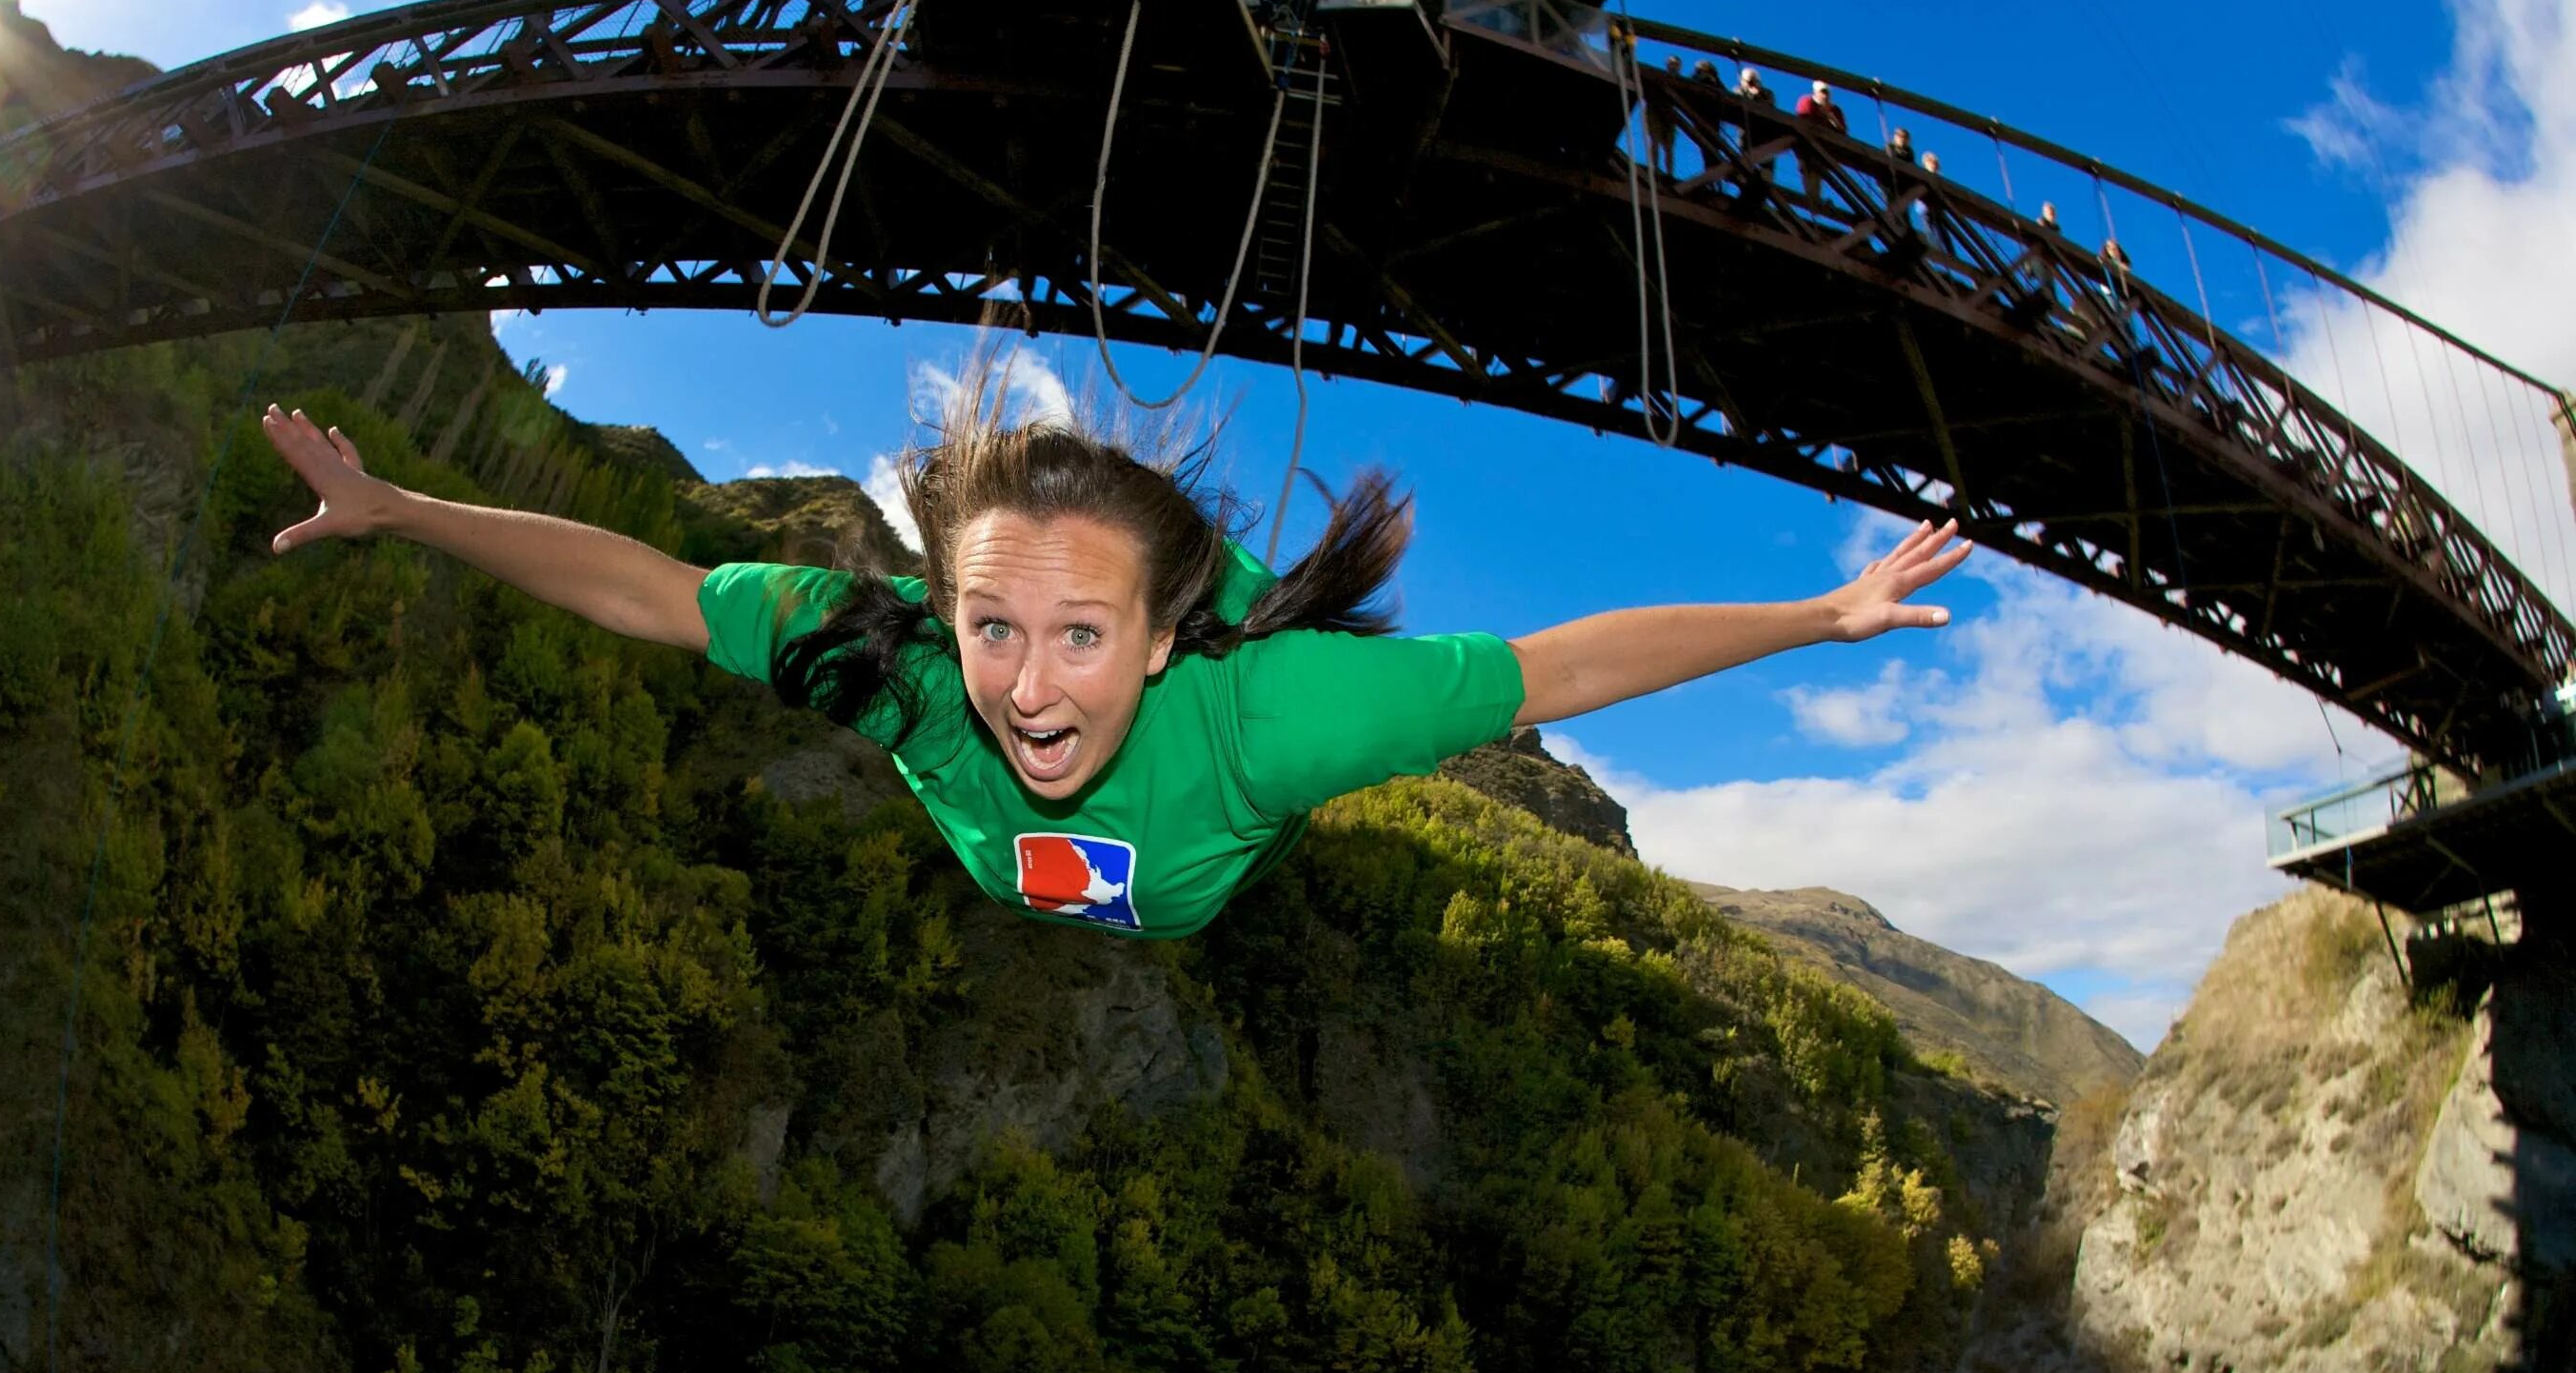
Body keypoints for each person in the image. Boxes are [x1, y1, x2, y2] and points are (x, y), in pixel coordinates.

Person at [253, 364, 1968, 940]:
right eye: (996, 625)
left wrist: (1818, 617)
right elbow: (640, 582)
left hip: (1207, 866)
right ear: (946, 612)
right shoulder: (896, 661)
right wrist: (402, 507)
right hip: (1060, 879)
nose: (1030, 684)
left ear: (1161, 645)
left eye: (1083, 635)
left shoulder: (1267, 723)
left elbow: (1563, 667)